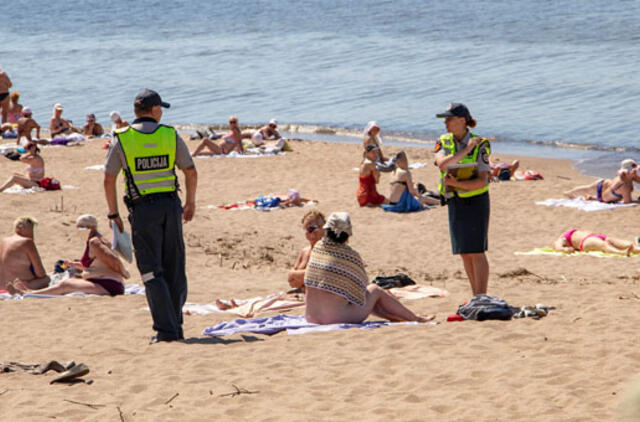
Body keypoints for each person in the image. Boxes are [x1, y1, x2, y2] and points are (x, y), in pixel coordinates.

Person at [103, 89, 198, 343]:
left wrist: (113, 213)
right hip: (170, 205)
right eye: (160, 109)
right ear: (155, 111)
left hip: (143, 209)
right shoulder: (169, 134)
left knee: (151, 272)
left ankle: (166, 331)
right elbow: (190, 170)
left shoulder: (121, 138)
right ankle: (175, 325)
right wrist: (190, 203)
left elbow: (108, 178)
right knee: (175, 268)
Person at [304, 212, 433, 324]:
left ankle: (395, 316)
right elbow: (362, 290)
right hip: (336, 318)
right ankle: (415, 318)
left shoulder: (318, 248)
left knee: (360, 296)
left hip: (311, 317)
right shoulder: (349, 256)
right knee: (375, 290)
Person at [434, 103, 491, 296]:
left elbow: (482, 181)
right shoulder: (444, 141)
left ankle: (481, 296)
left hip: (476, 202)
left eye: (449, 119)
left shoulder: (481, 143)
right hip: (455, 200)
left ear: (462, 120)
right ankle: (476, 295)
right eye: (445, 119)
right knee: (464, 252)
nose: (446, 123)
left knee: (476, 250)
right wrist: (465, 150)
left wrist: (459, 184)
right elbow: (442, 164)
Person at [8, 215, 130, 296]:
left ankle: (30, 293)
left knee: (66, 284)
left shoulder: (95, 242)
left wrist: (124, 272)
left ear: (91, 227)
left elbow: (111, 258)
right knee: (70, 281)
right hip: (106, 283)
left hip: (109, 285)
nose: (79, 231)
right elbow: (96, 264)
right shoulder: (95, 239)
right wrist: (73, 264)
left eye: (82, 227)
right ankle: (31, 292)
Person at [0, 216, 49, 291]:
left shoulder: (4, 241)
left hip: (2, 287)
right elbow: (40, 273)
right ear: (20, 227)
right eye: (31, 228)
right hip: (21, 284)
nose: (32, 233)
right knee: (46, 279)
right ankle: (19, 289)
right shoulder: (27, 242)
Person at [564, 159, 636, 204]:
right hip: (604, 196)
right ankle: (592, 198)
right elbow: (627, 202)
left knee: (587, 188)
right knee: (592, 191)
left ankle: (569, 192)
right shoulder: (625, 185)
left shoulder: (622, 176)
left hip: (603, 183)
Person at [287, 211, 326, 291]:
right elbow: (291, 279)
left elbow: (321, 274)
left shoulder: (326, 252)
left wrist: (297, 275)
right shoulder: (304, 251)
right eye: (308, 229)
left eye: (314, 228)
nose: (312, 233)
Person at [553, 229, 640, 256]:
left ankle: (637, 249)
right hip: (585, 241)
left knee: (628, 244)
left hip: (597, 236)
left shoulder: (571, 232)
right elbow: (558, 247)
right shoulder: (562, 238)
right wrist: (566, 249)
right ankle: (622, 253)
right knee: (604, 245)